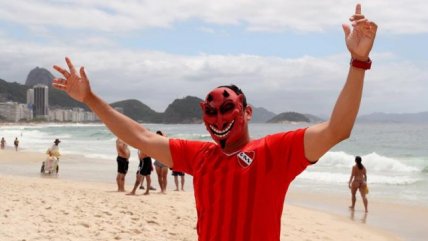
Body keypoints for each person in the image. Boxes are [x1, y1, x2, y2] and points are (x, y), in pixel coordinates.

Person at [53, 4, 377, 240]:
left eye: (227, 109)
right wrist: (91, 99)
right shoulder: (200, 157)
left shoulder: (275, 153)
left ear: (246, 112)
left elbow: (338, 129)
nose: (219, 118)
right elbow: (138, 136)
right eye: (211, 112)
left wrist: (358, 62)